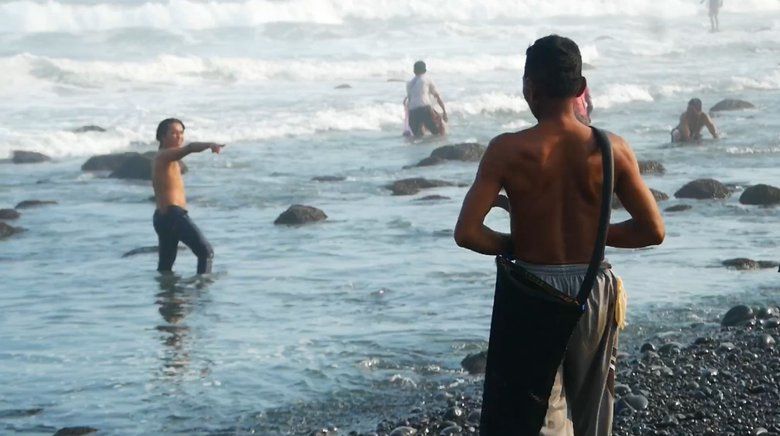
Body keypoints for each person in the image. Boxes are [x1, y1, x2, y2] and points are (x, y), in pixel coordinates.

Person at [454, 35, 665, 435]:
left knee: (539, 414)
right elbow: (652, 230)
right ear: (580, 87)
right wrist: (594, 237)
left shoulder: (507, 150)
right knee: (593, 412)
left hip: (535, 291)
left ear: (529, 87)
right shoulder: (611, 148)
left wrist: (517, 243)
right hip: (594, 289)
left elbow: (467, 233)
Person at [152, 118, 224, 275]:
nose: (179, 137)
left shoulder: (164, 158)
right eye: (174, 133)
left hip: (162, 217)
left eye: (181, 133)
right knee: (206, 252)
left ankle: (166, 298)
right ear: (162, 137)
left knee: (166, 266)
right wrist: (209, 145)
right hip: (173, 215)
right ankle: (203, 294)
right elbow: (189, 148)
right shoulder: (165, 155)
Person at [404, 60, 448, 137]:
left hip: (413, 113)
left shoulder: (409, 84)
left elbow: (409, 101)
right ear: (425, 70)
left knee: (418, 137)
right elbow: (437, 97)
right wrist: (444, 112)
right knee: (439, 133)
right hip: (425, 109)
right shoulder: (427, 79)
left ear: (414, 71)